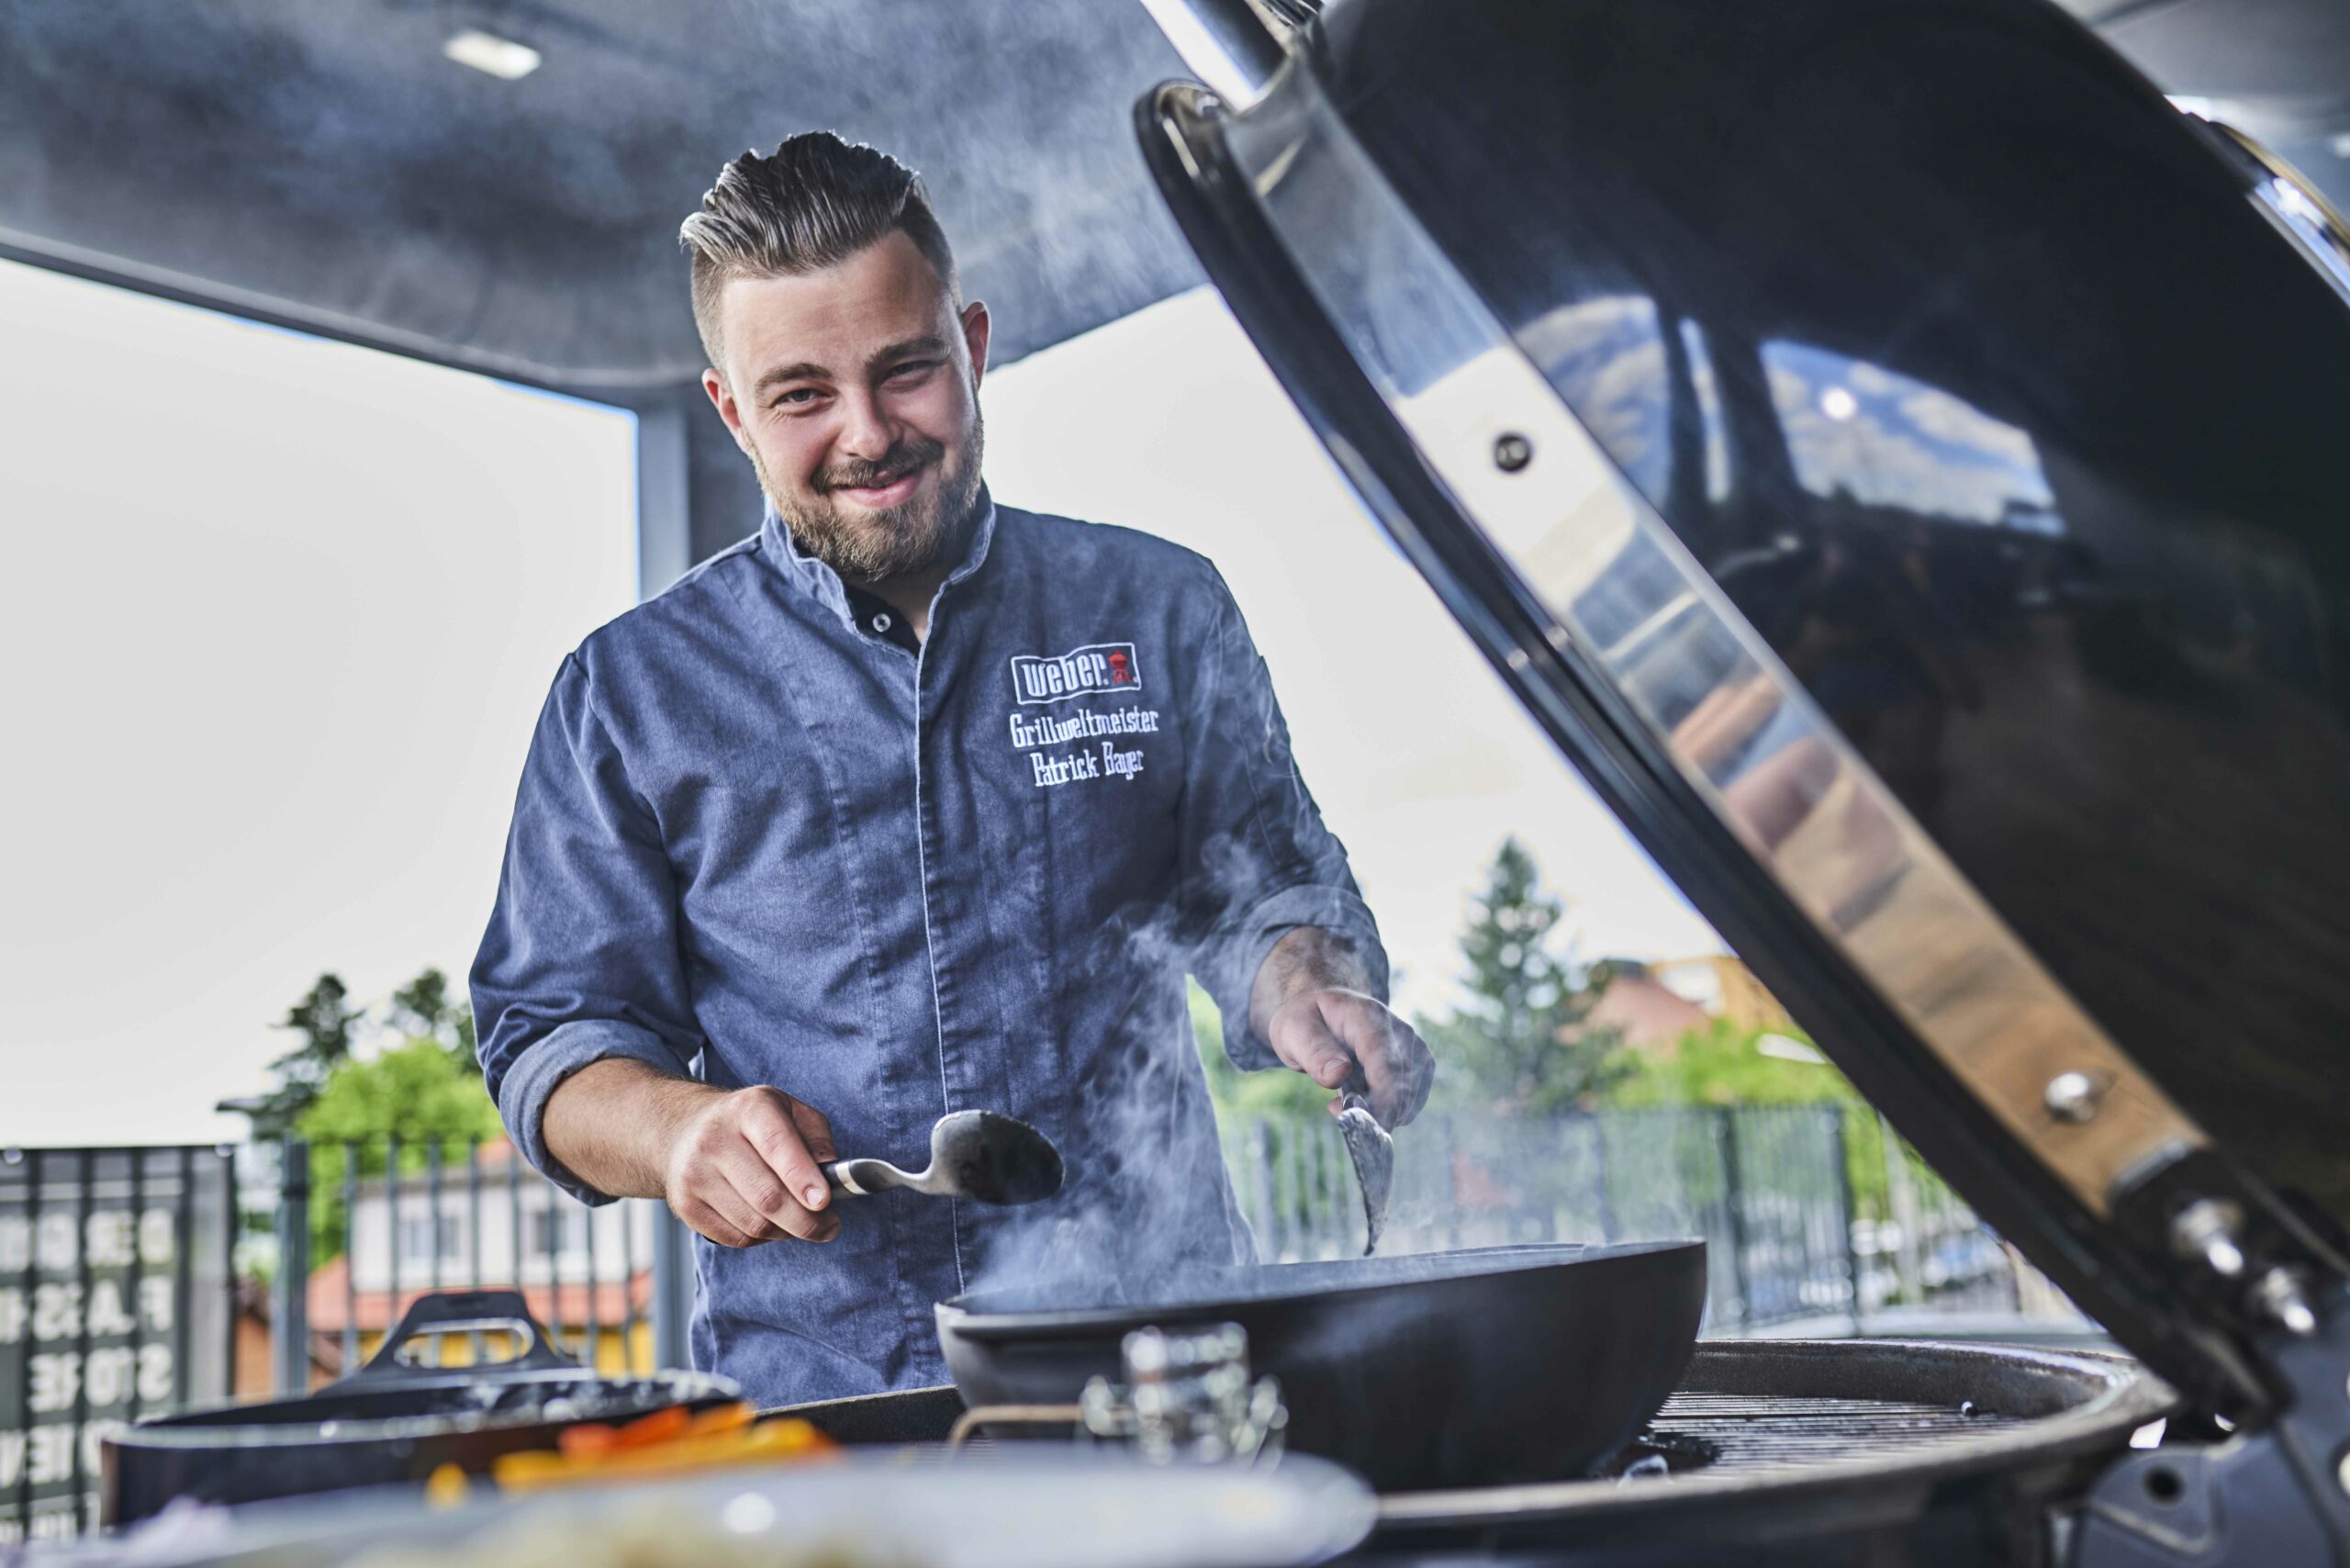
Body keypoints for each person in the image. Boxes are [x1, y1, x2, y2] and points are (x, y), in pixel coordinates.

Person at [469, 133, 1433, 1408]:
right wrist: (677, 1132)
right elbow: (552, 1035)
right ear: (731, 411)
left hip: (1162, 1360)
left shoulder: (1157, 606)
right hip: (832, 1395)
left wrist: (1302, 984)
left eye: (906, 370)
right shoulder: (629, 692)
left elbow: (1261, 894)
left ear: (972, 345)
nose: (868, 435)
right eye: (802, 393)